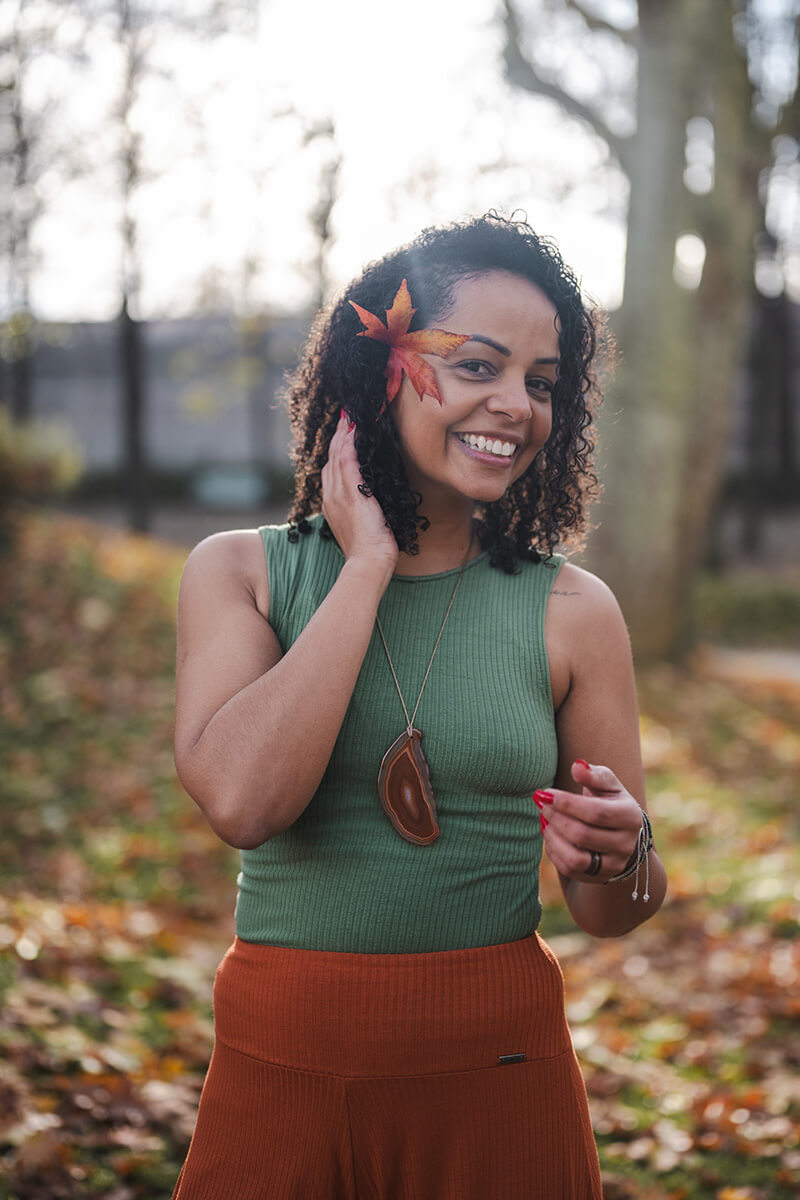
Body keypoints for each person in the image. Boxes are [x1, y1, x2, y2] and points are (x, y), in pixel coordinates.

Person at [170, 212, 667, 1199]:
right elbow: (241, 803)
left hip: (497, 1086)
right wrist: (365, 570)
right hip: (281, 1076)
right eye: (478, 365)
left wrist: (625, 852)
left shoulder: (572, 612)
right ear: (380, 363)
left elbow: (616, 912)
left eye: (540, 382)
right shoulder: (241, 574)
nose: (514, 405)